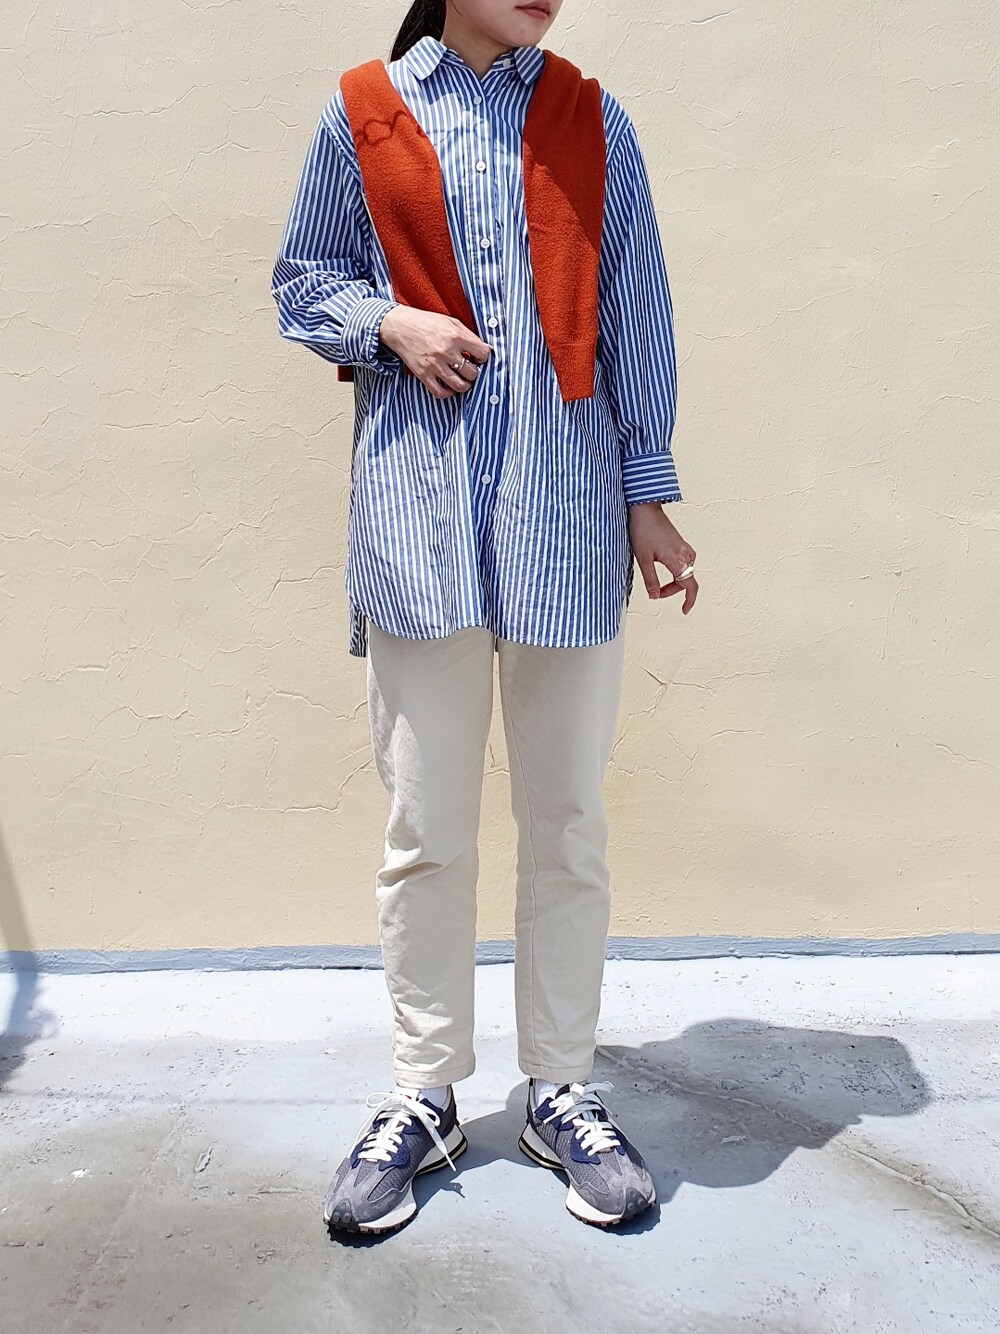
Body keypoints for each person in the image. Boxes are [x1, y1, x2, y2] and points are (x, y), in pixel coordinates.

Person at [270, 0, 699, 1235]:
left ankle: (559, 1086)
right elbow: (302, 280)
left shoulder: (589, 118)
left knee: (567, 821)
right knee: (425, 829)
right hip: (418, 519)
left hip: (567, 515)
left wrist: (647, 495)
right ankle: (425, 1091)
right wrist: (386, 323)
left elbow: (634, 309)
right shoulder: (363, 111)